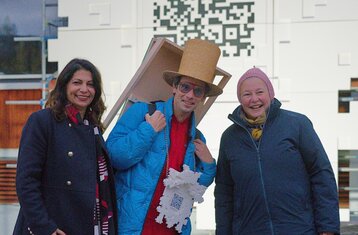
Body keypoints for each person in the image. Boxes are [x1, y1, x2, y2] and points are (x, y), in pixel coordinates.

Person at [106, 38, 221, 235]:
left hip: (173, 230)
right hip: (133, 228)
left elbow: (192, 190)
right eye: (185, 87)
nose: (190, 95)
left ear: (202, 97)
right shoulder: (143, 112)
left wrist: (209, 167)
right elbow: (114, 157)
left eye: (198, 90)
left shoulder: (197, 137)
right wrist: (148, 131)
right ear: (174, 87)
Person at [214, 67, 340, 235]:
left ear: (270, 94)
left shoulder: (297, 124)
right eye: (247, 94)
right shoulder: (230, 138)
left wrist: (328, 227)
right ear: (239, 99)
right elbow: (224, 192)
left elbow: (321, 174)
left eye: (260, 92)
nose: (254, 99)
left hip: (299, 229)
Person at [13, 58, 118, 235]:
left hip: (88, 225)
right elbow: (26, 181)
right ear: (64, 86)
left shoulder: (92, 128)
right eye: (77, 83)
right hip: (53, 226)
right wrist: (45, 227)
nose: (84, 89)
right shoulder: (42, 121)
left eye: (90, 84)